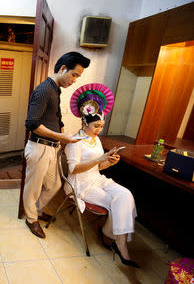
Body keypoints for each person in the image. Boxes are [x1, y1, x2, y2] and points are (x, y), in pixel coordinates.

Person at [65, 83, 139, 268]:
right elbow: (73, 169)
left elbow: (98, 167)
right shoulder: (75, 142)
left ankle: (111, 235)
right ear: (84, 122)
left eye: (102, 126)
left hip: (97, 179)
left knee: (125, 194)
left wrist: (108, 162)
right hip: (80, 184)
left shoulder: (95, 139)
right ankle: (116, 241)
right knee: (116, 202)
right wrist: (100, 158)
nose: (99, 129)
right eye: (96, 125)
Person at [23, 51, 90, 238]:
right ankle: (31, 219)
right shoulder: (44, 89)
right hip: (39, 147)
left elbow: (53, 118)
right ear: (62, 68)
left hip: (51, 147)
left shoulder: (55, 89)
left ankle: (36, 211)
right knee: (33, 187)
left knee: (54, 184)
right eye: (74, 74)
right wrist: (61, 137)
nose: (75, 79)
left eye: (78, 76)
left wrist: (64, 136)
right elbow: (32, 124)